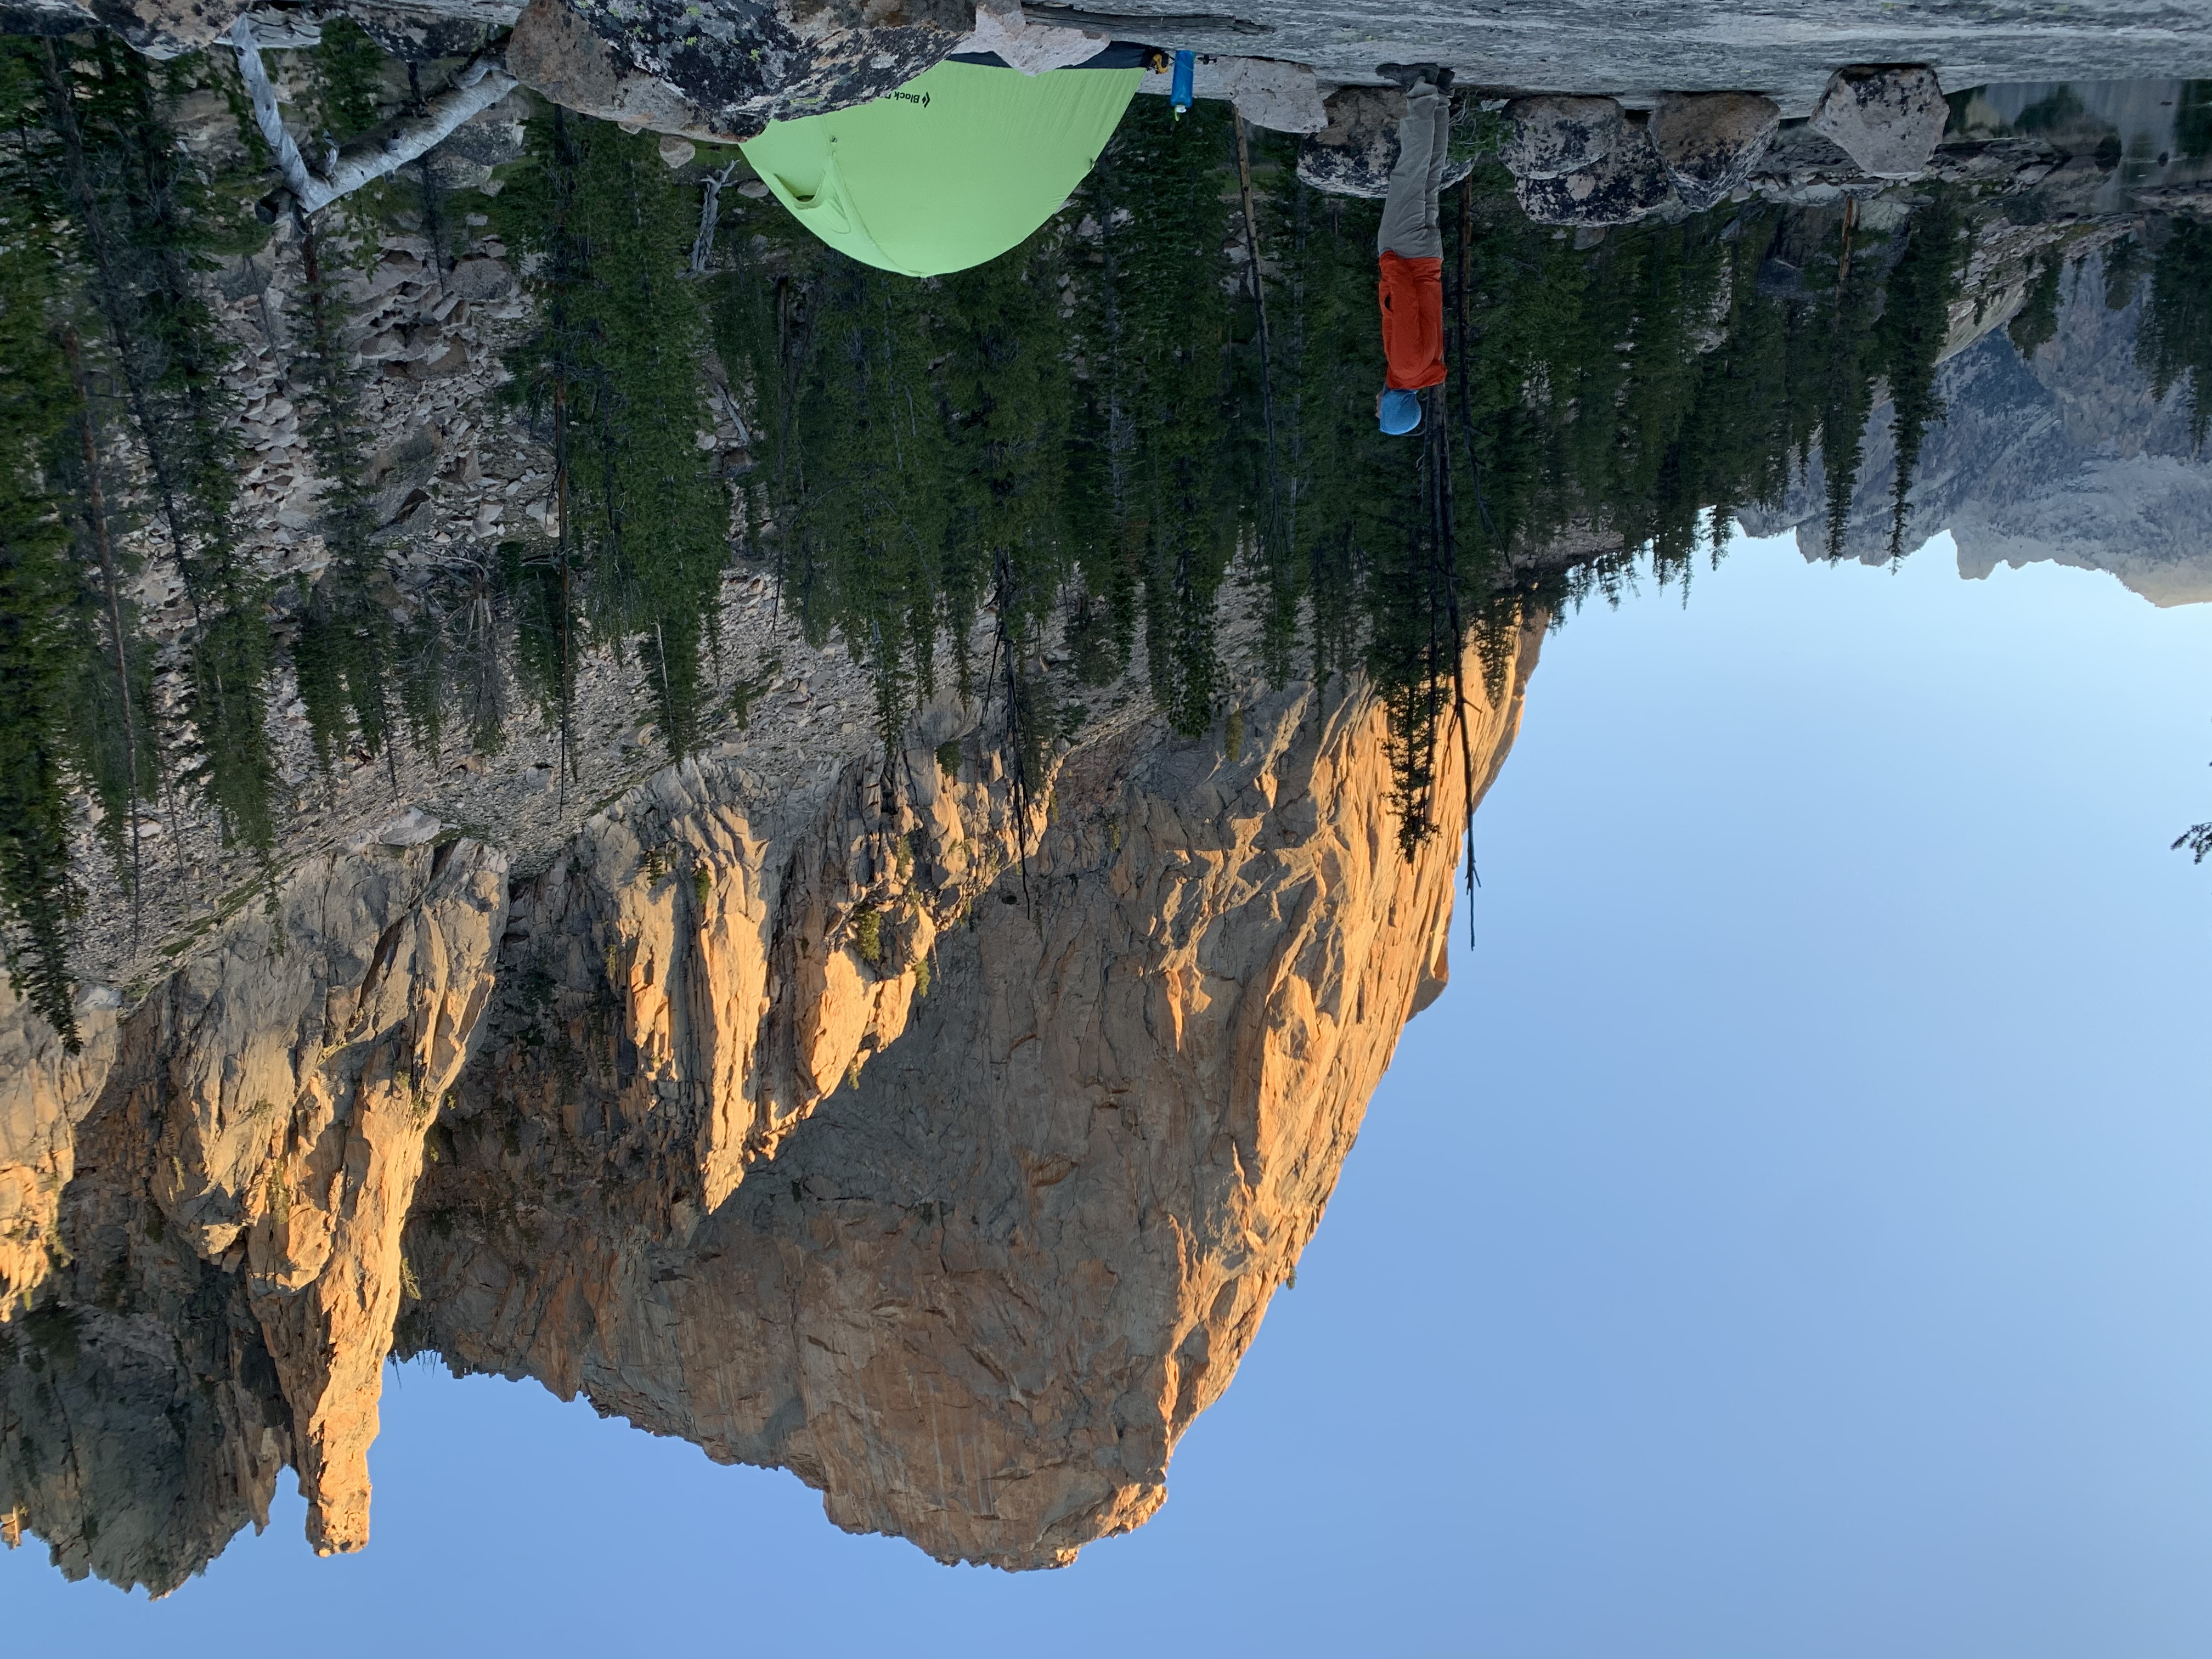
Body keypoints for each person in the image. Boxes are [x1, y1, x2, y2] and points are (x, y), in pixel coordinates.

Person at [1375, 64, 1454, 437]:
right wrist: (1390, 263)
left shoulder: (1425, 369)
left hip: (1428, 259)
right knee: (1409, 174)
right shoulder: (1405, 368)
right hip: (1406, 256)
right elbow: (1404, 305)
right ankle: (1421, 90)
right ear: (1391, 406)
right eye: (1380, 414)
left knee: (1429, 179)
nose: (1375, 408)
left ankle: (1439, 97)